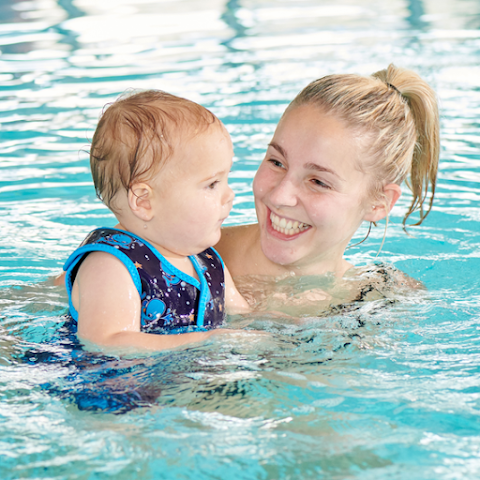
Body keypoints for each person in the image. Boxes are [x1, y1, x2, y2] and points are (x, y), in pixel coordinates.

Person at [215, 64, 440, 313]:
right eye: (277, 162)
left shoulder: (382, 300)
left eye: (318, 182)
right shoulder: (184, 258)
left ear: (379, 203)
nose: (280, 196)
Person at [63, 90, 250, 351]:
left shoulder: (206, 260)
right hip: (110, 388)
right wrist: (205, 341)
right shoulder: (111, 265)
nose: (229, 195)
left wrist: (292, 328)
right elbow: (104, 341)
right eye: (212, 184)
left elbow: (246, 317)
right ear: (144, 201)